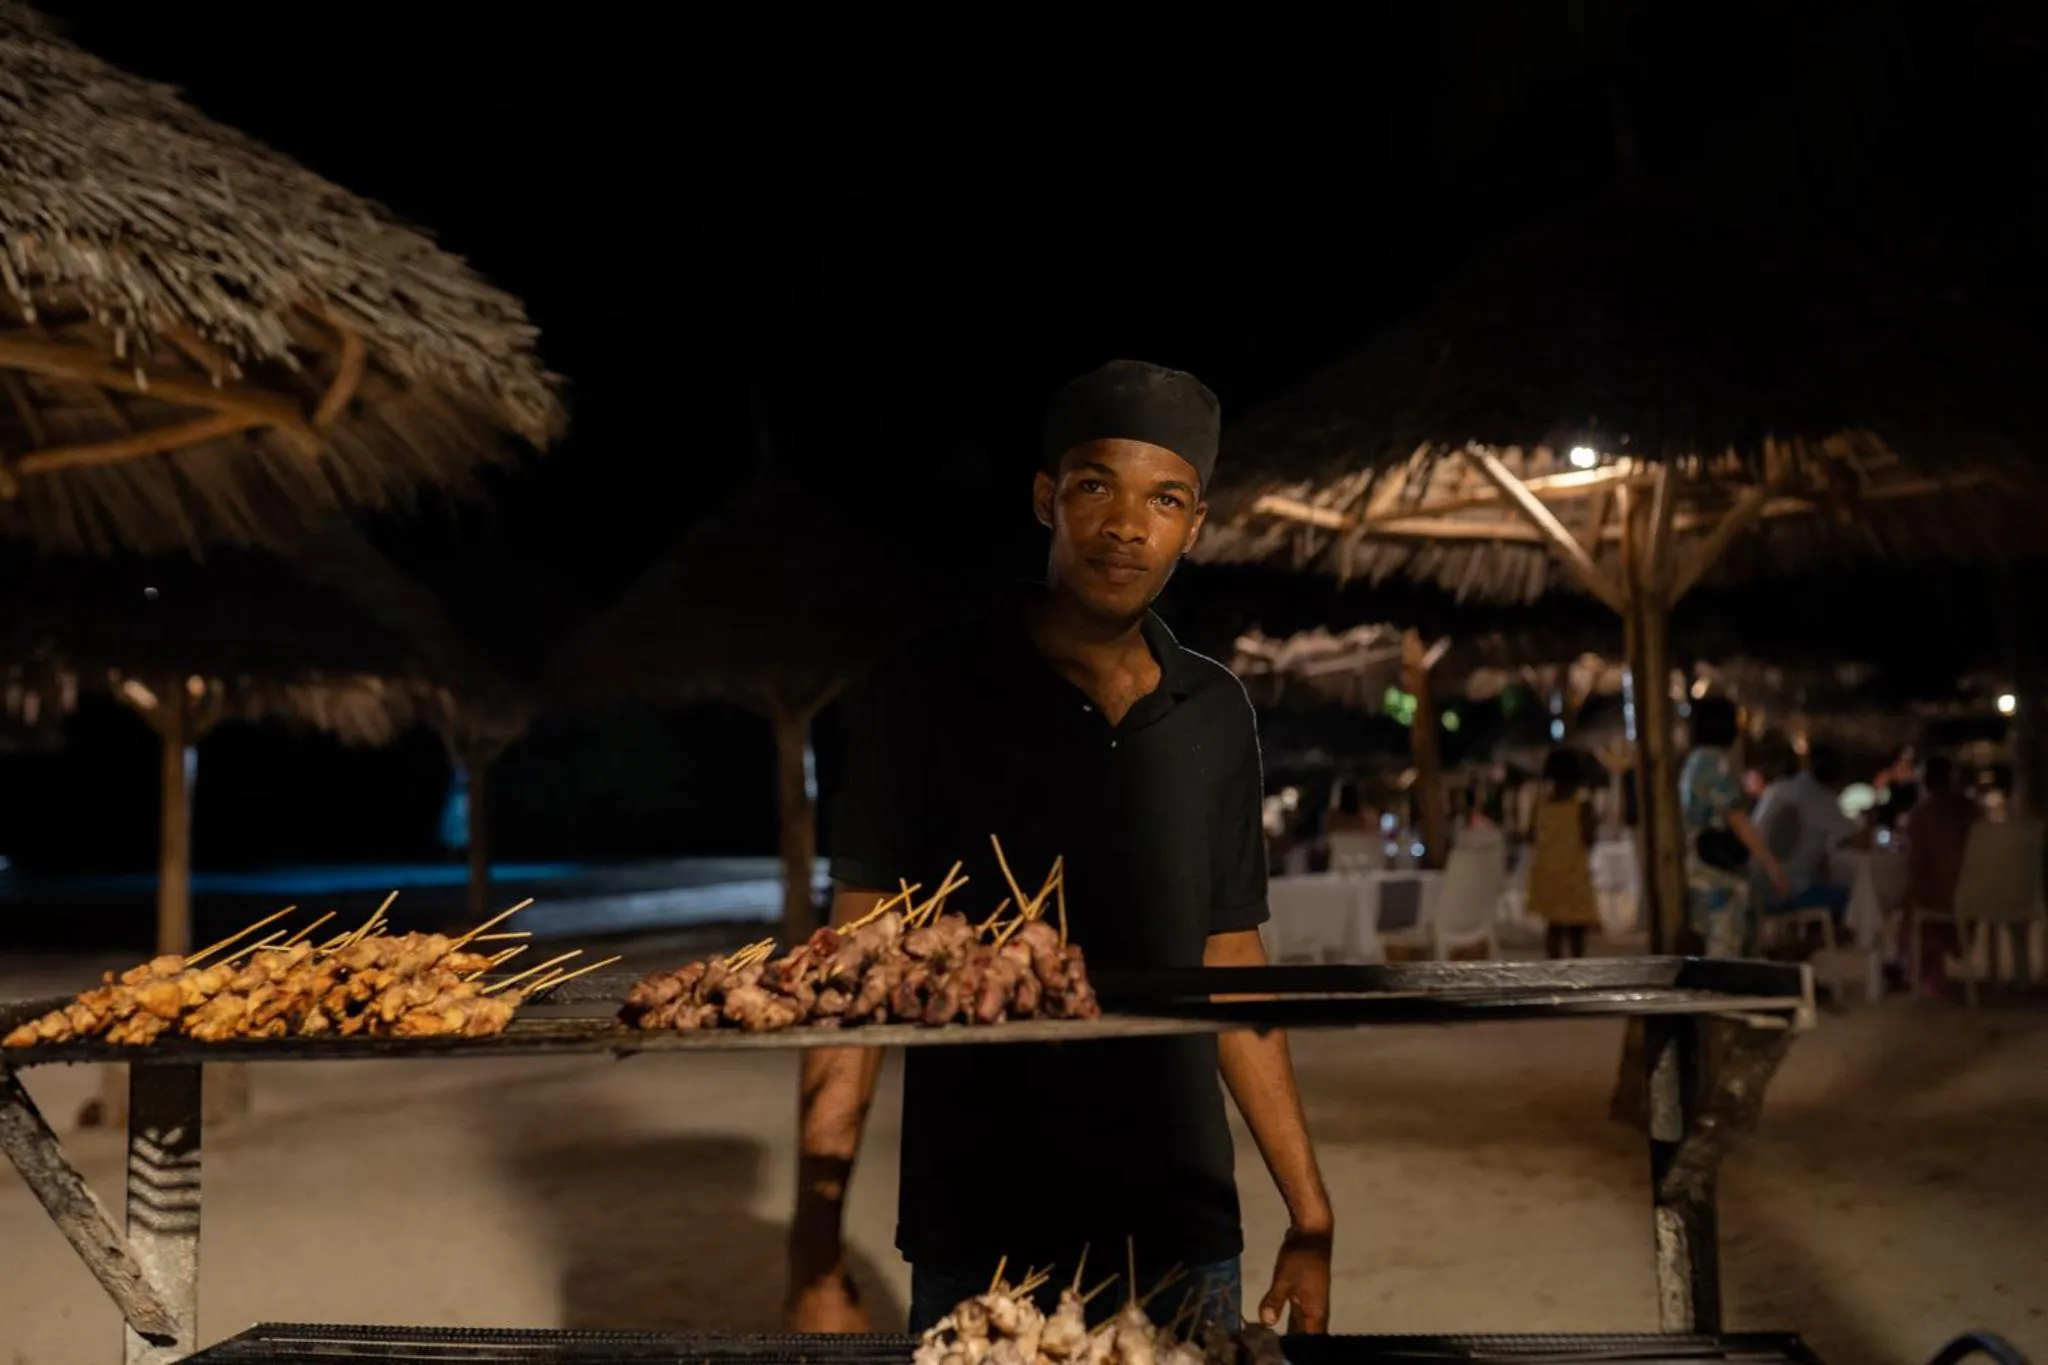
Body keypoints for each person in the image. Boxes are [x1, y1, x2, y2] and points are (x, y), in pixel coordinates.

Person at [790, 360, 1332, 1337]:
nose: (1128, 524)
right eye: (1095, 486)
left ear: (1193, 525)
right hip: (980, 1223)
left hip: (1183, 1226)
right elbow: (854, 965)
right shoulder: (923, 690)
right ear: (1046, 498)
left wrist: (1310, 1212)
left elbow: (1230, 959)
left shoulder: (1212, 711)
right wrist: (813, 1248)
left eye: (1164, 498)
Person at [1679, 697, 1787, 957]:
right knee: (1726, 947)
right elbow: (1736, 818)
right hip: (1716, 873)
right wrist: (1771, 865)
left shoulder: (1693, 763)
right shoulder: (1715, 763)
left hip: (1696, 864)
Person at [1752, 744, 1864, 932]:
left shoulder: (1776, 789)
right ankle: (1823, 947)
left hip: (1755, 886)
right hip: (1788, 890)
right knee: (1855, 896)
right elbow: (1858, 840)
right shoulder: (1823, 800)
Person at [1901, 753, 1978, 997]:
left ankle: (1927, 973)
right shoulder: (1972, 810)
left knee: (1913, 902)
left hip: (1944, 895)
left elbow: (1916, 863)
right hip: (1979, 892)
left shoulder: (1922, 814)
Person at [1526, 748, 1599, 959]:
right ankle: (1577, 973)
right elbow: (1589, 839)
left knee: (1554, 928)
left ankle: (1553, 972)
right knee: (1576, 931)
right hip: (1574, 876)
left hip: (1548, 875)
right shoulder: (1582, 807)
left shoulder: (1540, 806)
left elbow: (1530, 837)